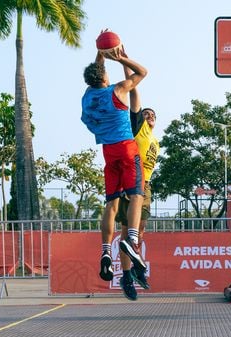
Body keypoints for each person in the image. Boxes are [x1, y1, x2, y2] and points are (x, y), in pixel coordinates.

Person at [81, 43, 147, 300]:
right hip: (126, 148)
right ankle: (131, 240)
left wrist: (100, 52)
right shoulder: (116, 90)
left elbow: (97, 71)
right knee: (137, 196)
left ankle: (106, 252)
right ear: (106, 77)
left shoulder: (87, 97)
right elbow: (142, 72)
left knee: (111, 204)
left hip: (107, 152)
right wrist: (123, 58)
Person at [115, 66, 159, 292]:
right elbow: (133, 91)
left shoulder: (155, 140)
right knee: (126, 231)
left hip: (146, 184)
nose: (149, 116)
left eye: (153, 115)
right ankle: (126, 276)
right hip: (131, 182)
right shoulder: (138, 128)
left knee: (139, 231)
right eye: (146, 113)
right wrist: (126, 66)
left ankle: (135, 268)